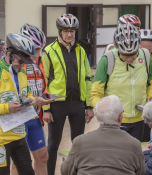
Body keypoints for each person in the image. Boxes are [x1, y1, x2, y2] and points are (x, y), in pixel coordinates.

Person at [41, 14, 94, 175]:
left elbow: (87, 79)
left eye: (72, 31)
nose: (69, 34)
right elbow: (43, 82)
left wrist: (89, 105)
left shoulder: (81, 51)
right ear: (60, 32)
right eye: (66, 31)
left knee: (78, 144)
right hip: (57, 104)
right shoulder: (48, 51)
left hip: (77, 104)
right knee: (53, 144)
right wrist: (46, 108)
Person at [91, 23, 152, 141]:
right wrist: (104, 115)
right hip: (115, 122)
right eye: (125, 55)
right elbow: (96, 93)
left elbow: (151, 83)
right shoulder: (107, 60)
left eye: (133, 54)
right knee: (116, 157)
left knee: (138, 155)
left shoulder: (146, 56)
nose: (130, 58)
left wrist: (151, 101)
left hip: (140, 119)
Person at [61, 95, 145, 175]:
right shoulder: (134, 144)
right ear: (121, 117)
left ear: (97, 117)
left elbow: (65, 170)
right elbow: (141, 172)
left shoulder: (79, 142)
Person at [11, 23, 52, 175]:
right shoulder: (16, 64)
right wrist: (34, 100)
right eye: (34, 49)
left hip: (35, 117)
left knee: (42, 157)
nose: (37, 53)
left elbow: (43, 85)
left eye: (39, 49)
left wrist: (46, 99)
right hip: (20, 118)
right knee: (19, 162)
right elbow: (13, 93)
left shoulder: (41, 61)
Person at [0, 33, 37, 175]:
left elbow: (27, 92)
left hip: (19, 135)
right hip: (1, 140)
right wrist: (6, 107)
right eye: (21, 61)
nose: (22, 66)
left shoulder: (21, 72)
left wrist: (30, 99)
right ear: (9, 54)